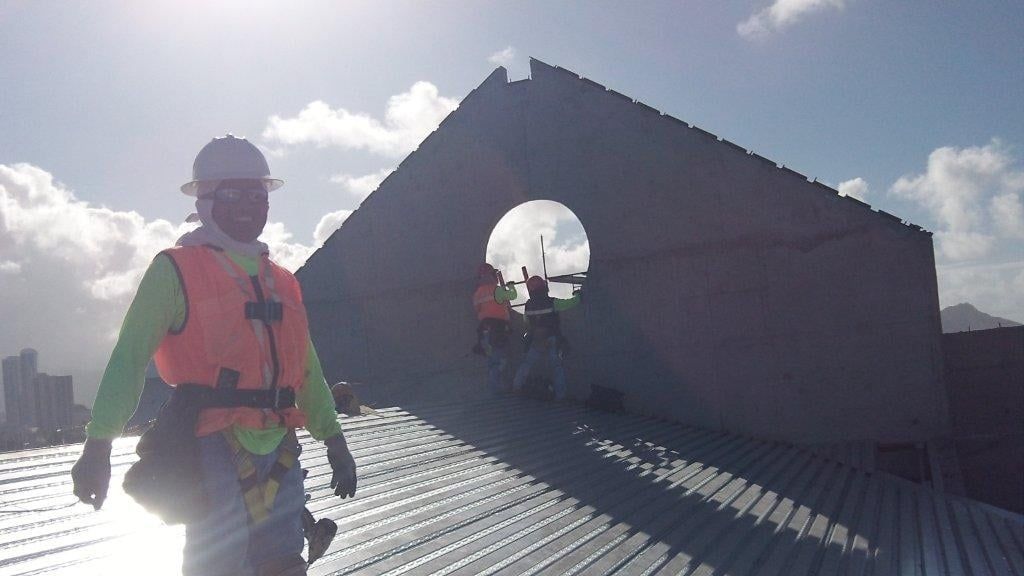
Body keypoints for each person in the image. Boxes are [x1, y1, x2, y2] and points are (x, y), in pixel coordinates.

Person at [70, 134, 356, 576]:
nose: (251, 204)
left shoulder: (280, 280)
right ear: (205, 200)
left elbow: (306, 367)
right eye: (235, 193)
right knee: (220, 564)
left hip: (279, 443)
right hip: (210, 444)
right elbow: (129, 358)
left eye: (258, 195)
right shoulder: (176, 269)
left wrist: (333, 439)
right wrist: (99, 443)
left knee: (284, 562)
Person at [512, 275, 581, 400]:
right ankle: (560, 395)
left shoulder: (528, 305)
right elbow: (570, 303)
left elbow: (526, 324)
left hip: (536, 341)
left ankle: (516, 386)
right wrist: (578, 295)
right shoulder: (552, 302)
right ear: (544, 287)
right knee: (556, 367)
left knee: (527, 363)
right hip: (551, 339)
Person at [472, 263, 517, 393]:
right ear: (492, 276)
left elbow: (477, 310)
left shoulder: (477, 293)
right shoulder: (497, 290)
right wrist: (511, 287)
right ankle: (497, 388)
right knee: (500, 359)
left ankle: (494, 387)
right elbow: (512, 296)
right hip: (498, 329)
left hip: (484, 330)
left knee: (492, 360)